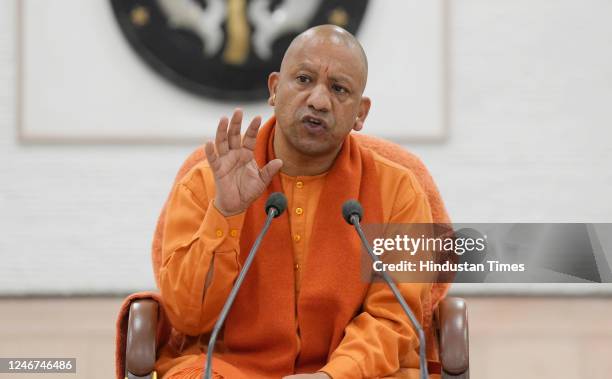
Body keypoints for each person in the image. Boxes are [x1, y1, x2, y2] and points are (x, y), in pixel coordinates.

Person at [156, 25, 434, 379]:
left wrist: (333, 375)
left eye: (338, 89)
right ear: (274, 89)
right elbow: (187, 316)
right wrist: (224, 214)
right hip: (234, 370)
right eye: (303, 80)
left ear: (360, 113)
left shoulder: (400, 192)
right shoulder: (205, 183)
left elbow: (395, 318)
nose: (319, 100)